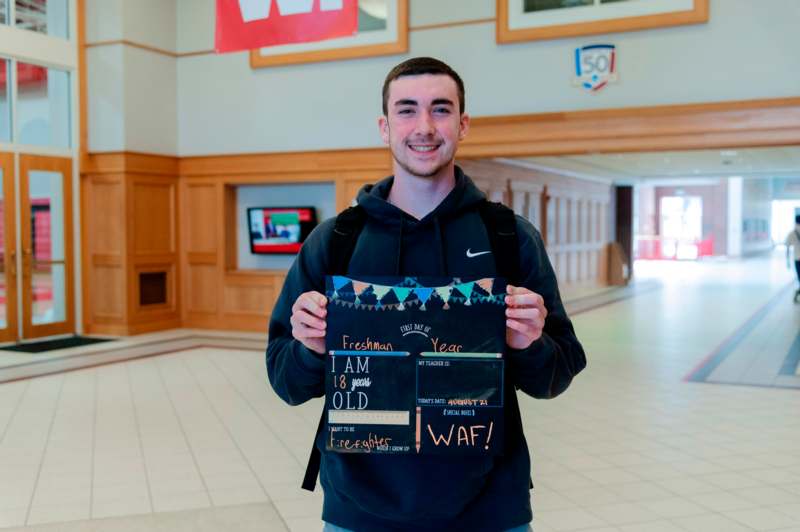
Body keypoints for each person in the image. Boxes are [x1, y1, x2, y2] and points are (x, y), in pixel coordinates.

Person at [266, 57, 586, 532]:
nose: (424, 127)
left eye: (440, 109)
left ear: (463, 123)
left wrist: (530, 344)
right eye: (406, 110)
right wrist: (310, 348)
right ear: (384, 126)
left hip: (490, 509)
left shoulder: (508, 236)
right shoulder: (336, 241)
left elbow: (555, 377)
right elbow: (285, 381)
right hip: (360, 509)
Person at [786, 214, 800, 303]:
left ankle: (797, 293)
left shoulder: (792, 233)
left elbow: (787, 246)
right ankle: (797, 293)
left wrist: (787, 260)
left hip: (797, 259)